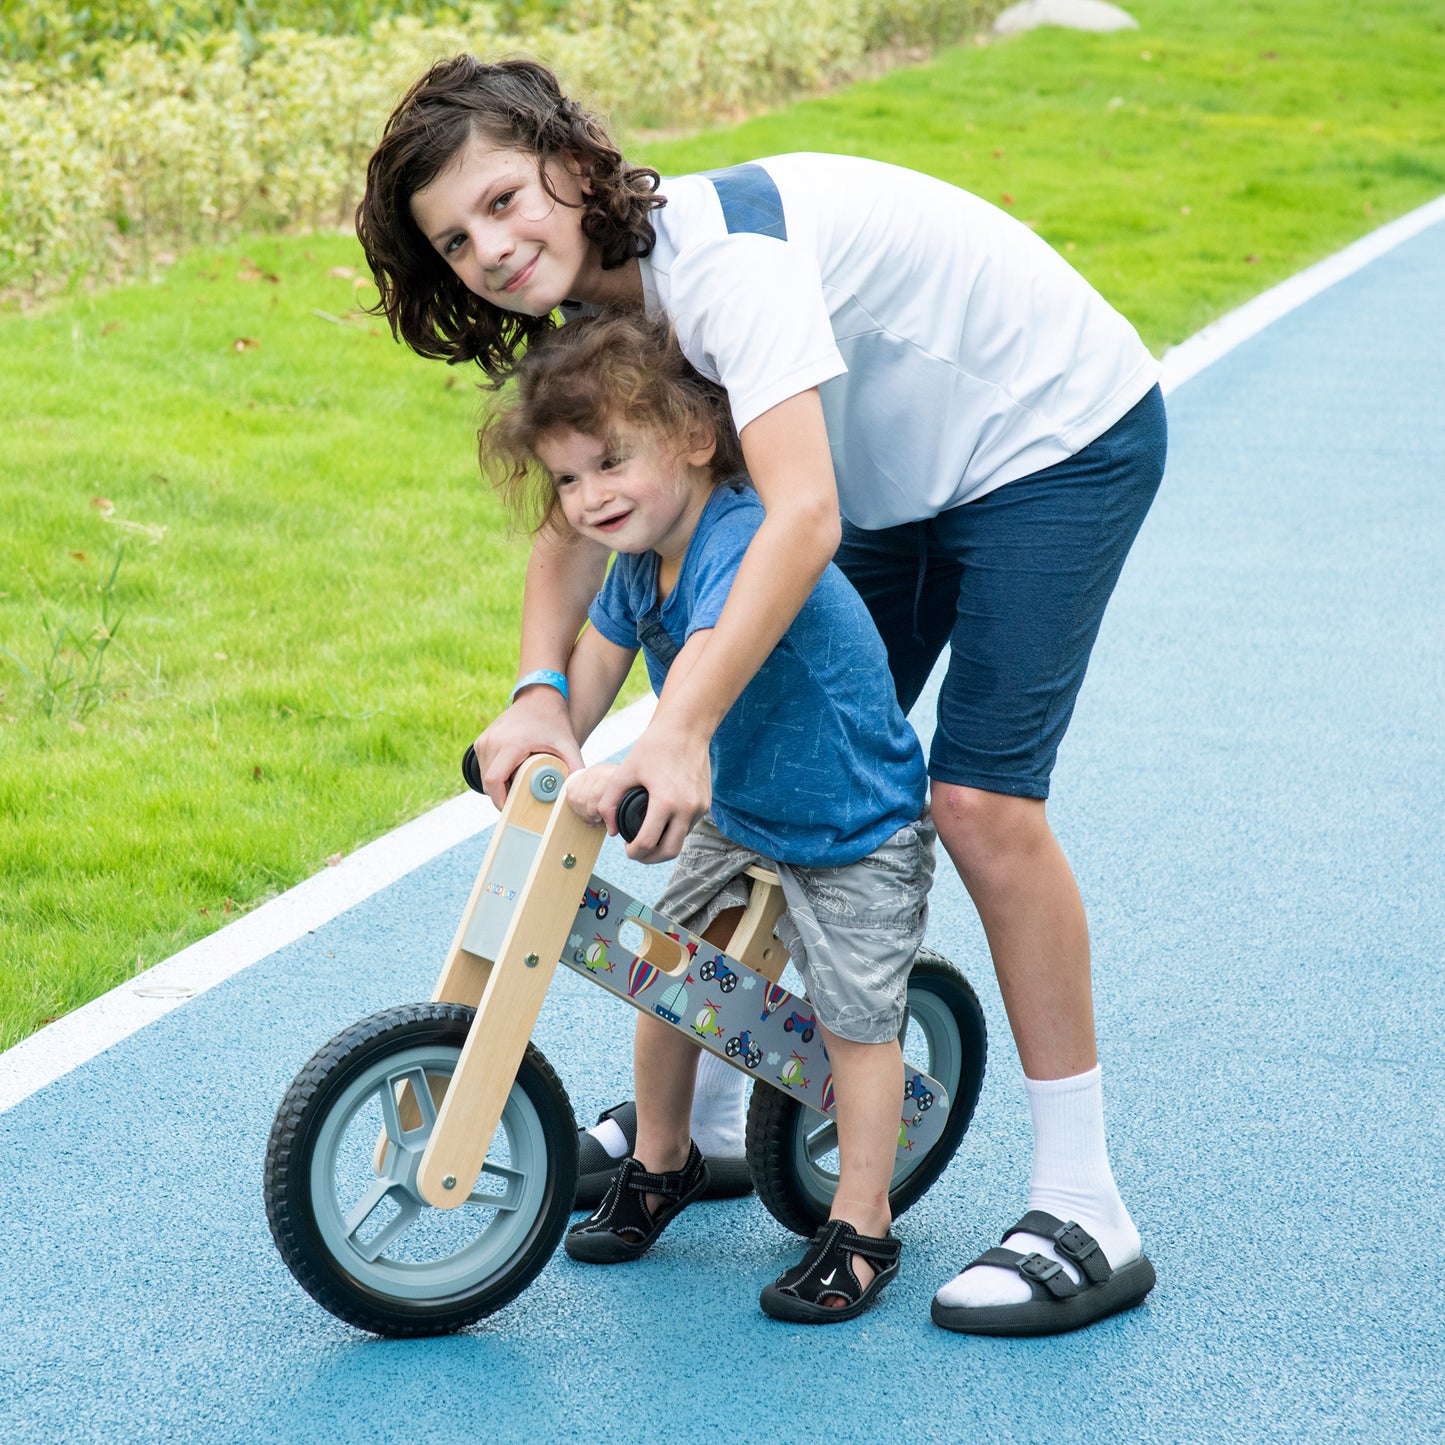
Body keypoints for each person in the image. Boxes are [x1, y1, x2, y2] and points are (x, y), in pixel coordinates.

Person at [356, 54, 1166, 1336]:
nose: (491, 248)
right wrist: (535, 693)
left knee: (973, 802)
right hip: (891, 476)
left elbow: (799, 516)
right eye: (455, 240)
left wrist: (675, 730)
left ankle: (1085, 1206)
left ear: (573, 167)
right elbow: (582, 524)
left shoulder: (722, 268)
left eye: (505, 200)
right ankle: (717, 1124)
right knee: (784, 754)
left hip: (1045, 437)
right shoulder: (588, 311)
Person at [481, 310, 936, 1323]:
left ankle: (861, 1223)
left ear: (693, 438)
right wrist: (544, 729)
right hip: (744, 810)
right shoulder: (640, 554)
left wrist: (631, 766)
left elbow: (700, 661)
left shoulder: (735, 530)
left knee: (856, 1025)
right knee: (663, 976)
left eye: (608, 463)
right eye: (565, 480)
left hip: (854, 823)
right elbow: (593, 665)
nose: (588, 497)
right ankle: (663, 1159)